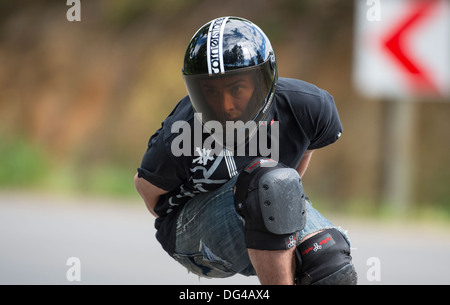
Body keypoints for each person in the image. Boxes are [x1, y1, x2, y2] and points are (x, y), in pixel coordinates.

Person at [134, 16, 357, 285]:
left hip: (262, 203)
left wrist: (274, 214)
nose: (225, 105)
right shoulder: (181, 131)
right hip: (188, 232)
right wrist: (234, 215)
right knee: (268, 187)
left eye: (237, 88)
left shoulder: (309, 108)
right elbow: (148, 190)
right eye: (210, 92)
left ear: (263, 79)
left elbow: (299, 159)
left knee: (327, 262)